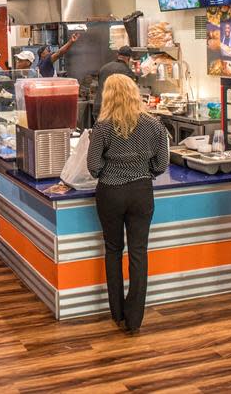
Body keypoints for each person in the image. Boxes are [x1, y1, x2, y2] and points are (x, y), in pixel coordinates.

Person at [87, 74, 170, 335]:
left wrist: (109, 169)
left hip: (110, 192)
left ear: (108, 96)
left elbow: (93, 166)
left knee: (113, 250)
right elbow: (162, 163)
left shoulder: (102, 127)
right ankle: (135, 318)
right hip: (141, 192)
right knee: (138, 251)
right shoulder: (154, 124)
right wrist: (145, 170)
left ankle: (117, 312)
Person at [93, 45, 136, 121]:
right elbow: (130, 94)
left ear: (117, 55)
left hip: (98, 106)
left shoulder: (104, 67)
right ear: (129, 58)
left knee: (101, 131)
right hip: (112, 110)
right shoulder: (127, 71)